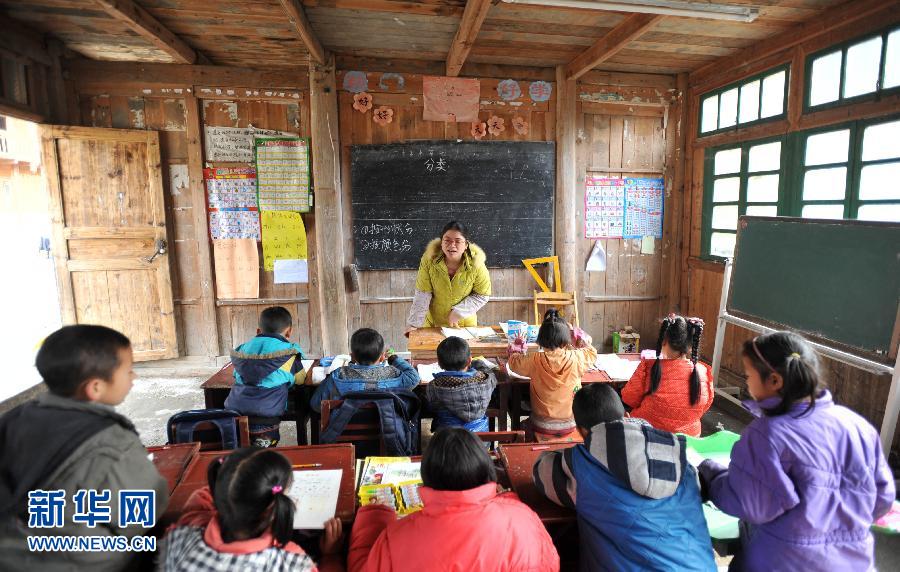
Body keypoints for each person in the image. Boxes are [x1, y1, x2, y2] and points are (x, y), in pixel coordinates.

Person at [698, 331, 895, 571]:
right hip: (855, 563)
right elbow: (882, 500)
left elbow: (751, 505)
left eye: (748, 375)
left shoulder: (766, 434)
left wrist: (713, 476)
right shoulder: (859, 426)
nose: (747, 383)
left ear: (774, 381)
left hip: (782, 563)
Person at [0, 325, 168, 572]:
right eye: (129, 371)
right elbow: (141, 515)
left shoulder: (11, 419)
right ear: (96, 387)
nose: (134, 378)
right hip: (81, 563)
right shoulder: (113, 443)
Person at [533, 384, 716, 571]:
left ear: (581, 431)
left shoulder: (580, 463)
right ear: (627, 417)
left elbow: (540, 472)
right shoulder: (677, 454)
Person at [348, 427, 559, 572]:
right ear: (488, 470)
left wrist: (374, 516)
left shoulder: (395, 538)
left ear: (426, 478)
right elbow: (550, 563)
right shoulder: (523, 519)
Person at [162, 447, 343, 571]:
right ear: (272, 509)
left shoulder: (184, 535)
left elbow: (199, 500)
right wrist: (331, 556)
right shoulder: (293, 562)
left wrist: (234, 483)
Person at [507, 309, 598, 441]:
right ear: (566, 340)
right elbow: (591, 351)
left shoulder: (534, 359)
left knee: (521, 423)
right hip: (572, 422)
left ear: (541, 340)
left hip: (541, 423)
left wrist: (516, 348)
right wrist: (576, 335)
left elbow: (513, 363)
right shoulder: (577, 357)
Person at [225, 306, 307, 447]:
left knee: (242, 457)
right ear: (289, 332)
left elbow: (236, 374)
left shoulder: (243, 349)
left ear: (258, 331)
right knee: (263, 461)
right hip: (266, 419)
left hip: (234, 415)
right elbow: (300, 379)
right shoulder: (289, 353)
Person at [620, 315, 713, 436]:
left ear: (664, 341)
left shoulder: (648, 366)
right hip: (688, 441)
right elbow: (704, 406)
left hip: (648, 436)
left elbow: (628, 398)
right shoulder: (704, 371)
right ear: (690, 345)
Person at [405, 221, 491, 335]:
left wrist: (459, 311)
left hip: (464, 327)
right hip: (434, 326)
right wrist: (414, 325)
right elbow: (423, 293)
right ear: (441, 243)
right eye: (447, 240)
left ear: (466, 245)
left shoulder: (476, 264)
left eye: (458, 241)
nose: (452, 245)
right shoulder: (429, 260)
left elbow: (482, 295)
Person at [310, 328, 419, 413]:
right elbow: (414, 377)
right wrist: (393, 358)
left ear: (352, 356)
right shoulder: (393, 374)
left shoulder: (338, 375)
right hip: (387, 432)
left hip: (346, 433)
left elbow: (316, 404)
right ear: (382, 357)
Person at [427, 336, 498, 432]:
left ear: (439, 363)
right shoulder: (485, 380)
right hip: (480, 442)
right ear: (469, 361)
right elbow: (491, 375)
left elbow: (432, 407)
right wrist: (477, 363)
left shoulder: (434, 386)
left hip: (446, 441)